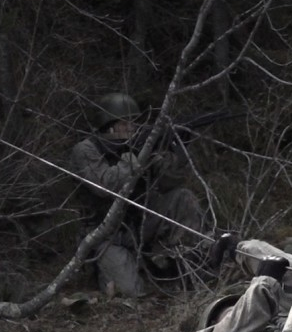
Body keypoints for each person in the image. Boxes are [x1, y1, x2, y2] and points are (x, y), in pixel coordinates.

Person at [70, 92, 208, 297]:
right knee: (129, 292)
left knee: (183, 198)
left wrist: (178, 154)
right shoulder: (86, 150)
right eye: (126, 123)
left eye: (134, 122)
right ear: (109, 125)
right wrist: (133, 157)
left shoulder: (138, 145)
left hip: (141, 222)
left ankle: (195, 263)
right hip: (107, 234)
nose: (132, 127)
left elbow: (168, 183)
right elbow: (103, 186)